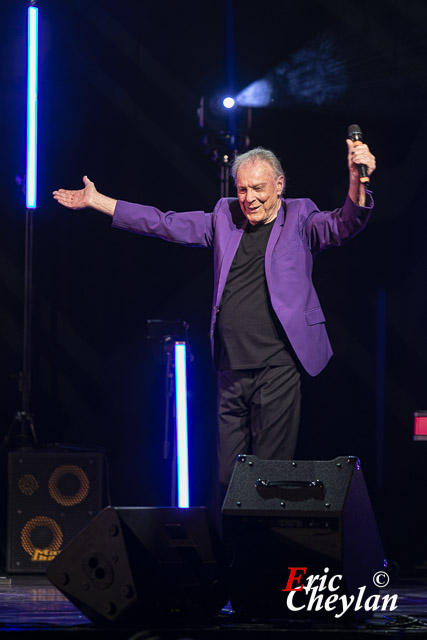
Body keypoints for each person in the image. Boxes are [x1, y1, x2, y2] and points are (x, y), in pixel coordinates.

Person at [53, 138, 376, 495]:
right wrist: (98, 201)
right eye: (242, 189)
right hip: (230, 368)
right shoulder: (225, 216)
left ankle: (266, 548)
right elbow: (164, 223)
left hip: (278, 367)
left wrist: (356, 182)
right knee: (227, 479)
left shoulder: (300, 216)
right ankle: (232, 550)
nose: (249, 198)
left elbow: (343, 224)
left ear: (279, 185)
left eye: (258, 188)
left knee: (268, 476)